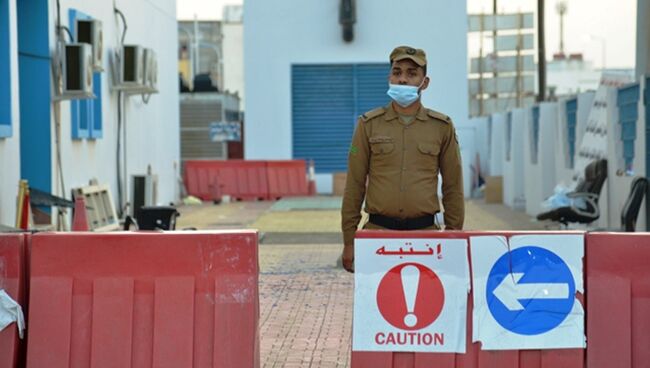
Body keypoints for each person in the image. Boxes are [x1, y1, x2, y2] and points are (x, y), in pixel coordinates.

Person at [340, 45, 465, 272]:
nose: (403, 80)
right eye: (397, 72)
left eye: (411, 73)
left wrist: (453, 235)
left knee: (427, 303)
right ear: (390, 78)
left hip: (425, 236)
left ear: (424, 82)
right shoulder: (368, 125)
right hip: (377, 235)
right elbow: (355, 185)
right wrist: (349, 240)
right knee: (375, 304)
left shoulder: (442, 127)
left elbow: (453, 186)